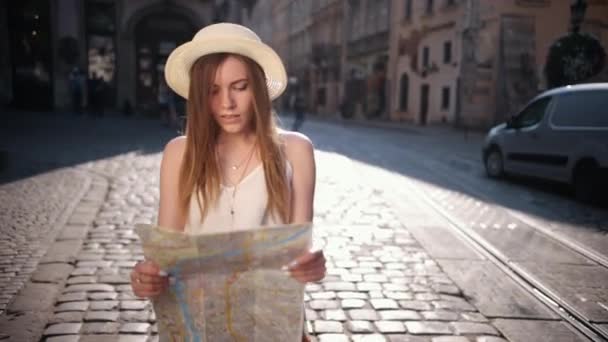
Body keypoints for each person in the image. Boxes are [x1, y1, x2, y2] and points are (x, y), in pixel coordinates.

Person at [129, 23, 326, 341]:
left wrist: (313, 264)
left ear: (258, 87)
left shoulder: (296, 150)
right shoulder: (179, 154)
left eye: (240, 86)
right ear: (198, 95)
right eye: (213, 90)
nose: (227, 104)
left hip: (272, 325)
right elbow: (165, 256)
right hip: (201, 326)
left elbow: (298, 250)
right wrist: (146, 276)